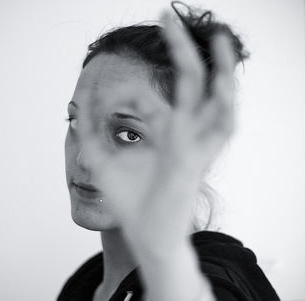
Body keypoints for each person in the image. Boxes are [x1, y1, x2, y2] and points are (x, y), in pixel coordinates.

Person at [58, 2, 279, 300]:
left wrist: (166, 261)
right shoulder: (85, 283)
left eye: (128, 134)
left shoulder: (219, 282)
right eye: (77, 121)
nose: (85, 157)